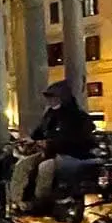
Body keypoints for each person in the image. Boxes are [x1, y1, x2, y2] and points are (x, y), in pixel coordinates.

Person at [30, 80, 96, 209]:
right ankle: (19, 200)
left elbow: (75, 139)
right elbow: (38, 132)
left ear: (62, 97)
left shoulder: (77, 116)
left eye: (53, 96)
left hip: (71, 155)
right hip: (51, 153)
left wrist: (50, 142)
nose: (50, 100)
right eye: (48, 97)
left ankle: (41, 202)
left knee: (45, 167)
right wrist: (30, 140)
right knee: (23, 164)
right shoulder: (49, 114)